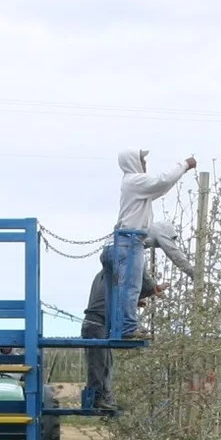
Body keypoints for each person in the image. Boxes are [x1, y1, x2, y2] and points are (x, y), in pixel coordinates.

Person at [109, 149, 196, 339]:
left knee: (125, 288)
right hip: (129, 240)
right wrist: (185, 165)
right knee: (130, 288)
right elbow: (162, 181)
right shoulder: (134, 181)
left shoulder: (134, 187)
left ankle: (121, 325)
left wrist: (151, 285)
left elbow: (161, 188)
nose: (145, 164)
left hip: (122, 242)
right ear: (133, 162)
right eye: (142, 160)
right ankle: (127, 328)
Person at [82, 266, 161, 411]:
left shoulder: (107, 275)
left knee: (106, 365)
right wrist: (151, 289)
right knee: (98, 366)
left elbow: (111, 297)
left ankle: (104, 399)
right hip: (96, 324)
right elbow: (145, 284)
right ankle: (97, 399)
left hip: (99, 325)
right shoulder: (115, 273)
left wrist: (136, 299)